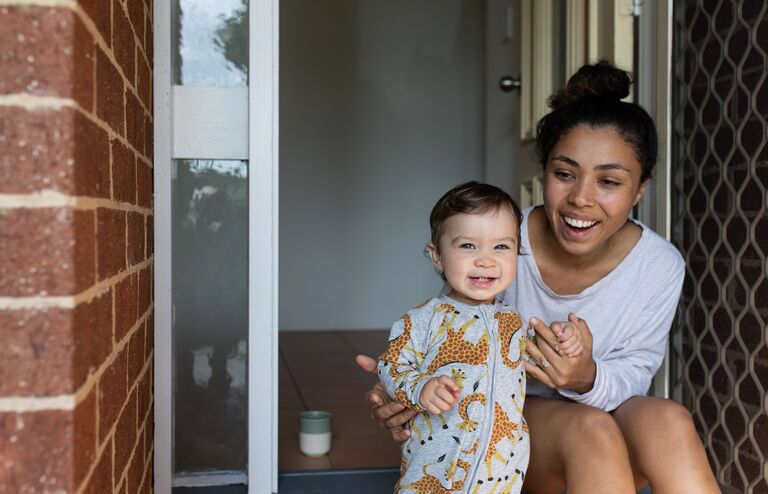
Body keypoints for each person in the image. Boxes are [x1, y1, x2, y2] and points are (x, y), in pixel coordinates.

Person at [357, 61, 720, 493]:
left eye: (609, 181)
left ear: (640, 189)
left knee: (668, 418)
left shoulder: (658, 264)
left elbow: (635, 373)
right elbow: (452, 339)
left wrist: (584, 376)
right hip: (506, 431)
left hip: (608, 422)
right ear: (543, 173)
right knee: (590, 429)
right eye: (564, 174)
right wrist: (407, 390)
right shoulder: (501, 243)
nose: (581, 199)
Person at [377, 182, 584, 493]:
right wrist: (421, 387)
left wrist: (563, 339)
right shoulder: (424, 319)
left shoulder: (512, 320)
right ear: (437, 257)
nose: (486, 260)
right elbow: (390, 365)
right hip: (434, 476)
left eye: (501, 247)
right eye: (468, 246)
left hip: (500, 476)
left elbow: (537, 358)